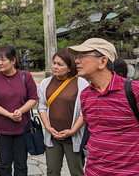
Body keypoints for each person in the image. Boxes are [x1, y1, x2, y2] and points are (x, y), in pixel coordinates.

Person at [67, 38, 139, 175]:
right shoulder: (85, 94)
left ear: (103, 62)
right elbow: (93, 130)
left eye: (83, 56)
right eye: (77, 57)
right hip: (94, 171)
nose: (76, 61)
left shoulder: (133, 91)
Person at [0, 45, 38, 176]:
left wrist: (20, 111)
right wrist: (8, 115)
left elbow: (33, 98)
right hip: (2, 129)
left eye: (3, 59)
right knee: (4, 165)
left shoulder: (26, 76)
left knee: (21, 165)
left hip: (22, 127)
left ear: (13, 60)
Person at [38, 49, 89, 176]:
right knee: (52, 170)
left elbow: (85, 111)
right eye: (54, 63)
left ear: (70, 68)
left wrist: (72, 131)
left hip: (73, 137)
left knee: (76, 171)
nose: (55, 66)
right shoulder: (45, 83)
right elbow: (42, 107)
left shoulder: (81, 83)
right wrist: (48, 128)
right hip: (53, 136)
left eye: (60, 64)